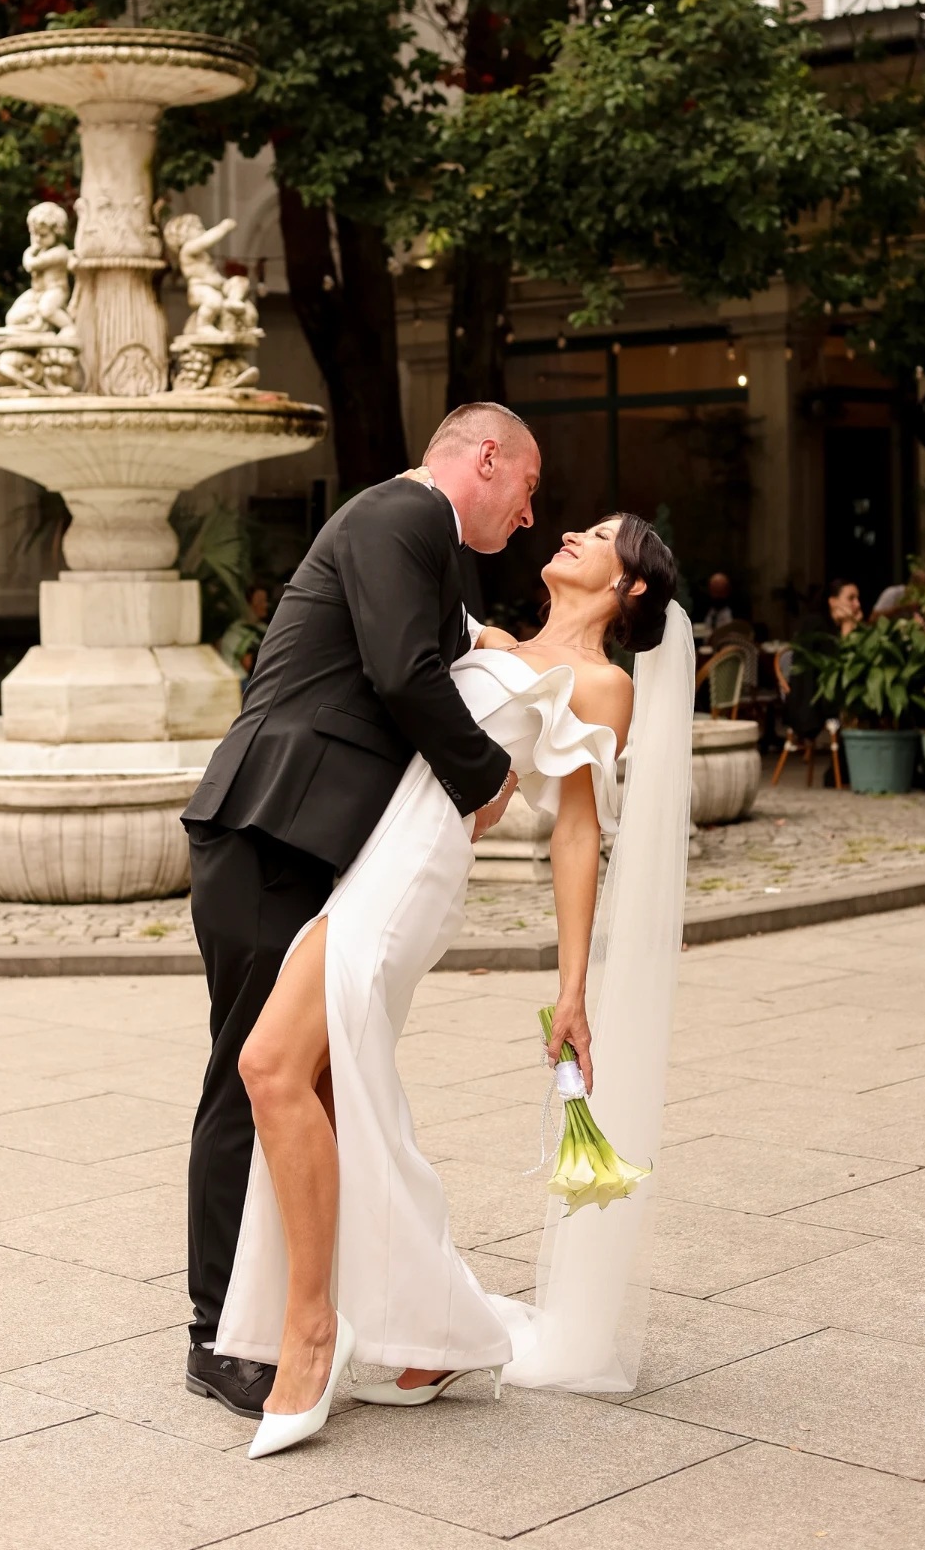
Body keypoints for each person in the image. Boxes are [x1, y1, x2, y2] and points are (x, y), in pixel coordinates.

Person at [220, 507, 692, 1458]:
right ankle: (433, 1332)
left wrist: (572, 992)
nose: (569, 533)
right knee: (321, 1087)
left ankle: (314, 1332)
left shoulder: (601, 686)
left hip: (415, 876)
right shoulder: (492, 638)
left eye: (599, 536)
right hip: (369, 857)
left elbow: (576, 833)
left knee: (272, 1067)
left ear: (630, 586)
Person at [179, 403, 539, 1417]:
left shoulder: (426, 548)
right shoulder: (403, 515)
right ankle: (217, 1333)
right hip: (267, 828)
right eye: (527, 484)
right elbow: (400, 671)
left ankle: (311, 1309)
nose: (528, 511)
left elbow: (461, 648)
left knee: (304, 1080)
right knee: (249, 1077)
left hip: (305, 838)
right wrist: (487, 777)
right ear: (482, 459)